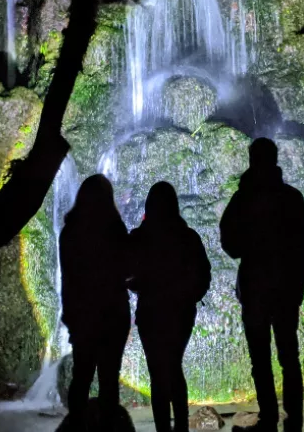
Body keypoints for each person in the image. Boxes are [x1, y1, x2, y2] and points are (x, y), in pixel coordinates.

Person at [220, 138, 304, 432]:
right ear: (275, 160)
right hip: (285, 289)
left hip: (255, 289)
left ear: (252, 161)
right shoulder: (292, 198)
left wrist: (250, 245)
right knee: (289, 357)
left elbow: (229, 243)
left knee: (260, 359)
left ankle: (269, 417)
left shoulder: (242, 199)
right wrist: (298, 284)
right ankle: (294, 420)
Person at [128, 182, 211, 432]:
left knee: (157, 373)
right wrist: (189, 295)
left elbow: (126, 274)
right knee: (174, 366)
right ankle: (181, 427)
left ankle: (164, 428)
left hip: (150, 311)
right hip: (180, 312)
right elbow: (203, 274)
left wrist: (142, 287)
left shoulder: (139, 237)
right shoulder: (188, 236)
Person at [60, 174, 131, 431]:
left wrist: (70, 314)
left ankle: (77, 426)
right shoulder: (115, 229)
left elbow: (69, 277)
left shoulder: (70, 231)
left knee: (81, 376)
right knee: (109, 379)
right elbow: (127, 268)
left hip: (83, 315)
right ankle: (108, 426)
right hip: (113, 313)